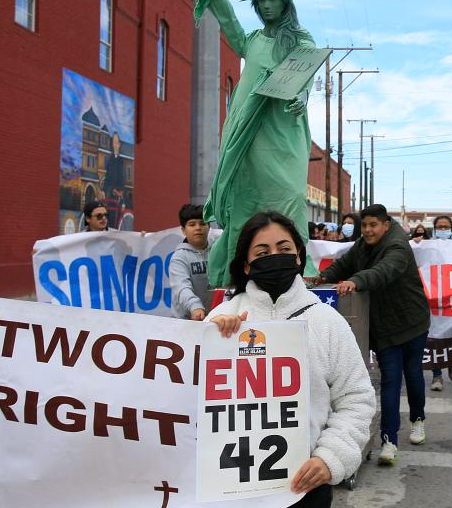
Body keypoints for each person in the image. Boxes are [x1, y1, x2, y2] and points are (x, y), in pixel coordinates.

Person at [206, 211, 375, 507]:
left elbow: (356, 398)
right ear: (246, 265)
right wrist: (207, 339)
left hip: (303, 488)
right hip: (230, 489)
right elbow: (185, 400)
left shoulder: (326, 321)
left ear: (298, 257)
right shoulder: (221, 319)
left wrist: (330, 457)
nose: (275, 257)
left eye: (284, 249)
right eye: (262, 251)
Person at [195, 0, 315, 288]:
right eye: (260, 1)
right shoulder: (252, 41)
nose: (265, 6)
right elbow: (228, 21)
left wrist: (302, 98)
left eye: (271, 0)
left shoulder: (300, 40)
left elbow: (305, 76)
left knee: (291, 195)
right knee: (245, 199)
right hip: (247, 131)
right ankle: (238, 269)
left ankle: (298, 268)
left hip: (283, 127)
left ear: (284, 3)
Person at [309, 204, 431, 466]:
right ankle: (389, 441)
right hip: (384, 327)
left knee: (413, 376)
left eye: (373, 225)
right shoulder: (363, 245)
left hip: (412, 322)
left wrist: (357, 281)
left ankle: (418, 419)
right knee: (389, 382)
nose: (367, 230)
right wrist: (324, 277)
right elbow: (344, 263)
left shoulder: (398, 246)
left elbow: (385, 270)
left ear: (386, 225)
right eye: (364, 225)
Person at [428, 214, 452, 392]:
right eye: (439, 227)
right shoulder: (428, 248)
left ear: (451, 229)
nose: (442, 230)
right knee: (435, 336)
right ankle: (437, 376)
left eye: (445, 227)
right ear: (434, 229)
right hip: (434, 297)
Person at [169, 204, 214, 320]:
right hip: (185, 322)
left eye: (202, 223)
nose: (198, 228)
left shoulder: (218, 250)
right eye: (192, 224)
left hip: (215, 319)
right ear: (183, 230)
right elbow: (181, 287)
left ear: (209, 227)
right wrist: (195, 306)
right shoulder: (178, 258)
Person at [101, 131, 125, 229]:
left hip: (116, 192)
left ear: (119, 145)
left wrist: (118, 190)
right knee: (106, 214)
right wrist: (103, 189)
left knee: (114, 217)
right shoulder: (110, 158)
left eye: (116, 142)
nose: (115, 144)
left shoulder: (120, 160)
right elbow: (107, 176)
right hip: (109, 191)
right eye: (113, 142)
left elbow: (121, 177)